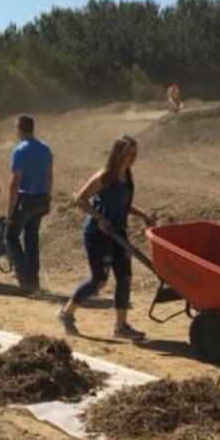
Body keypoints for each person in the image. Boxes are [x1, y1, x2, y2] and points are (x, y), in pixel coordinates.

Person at [58, 136, 156, 339]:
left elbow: (122, 205)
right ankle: (66, 313)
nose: (132, 157)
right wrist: (99, 217)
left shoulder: (127, 177)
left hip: (118, 231)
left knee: (125, 277)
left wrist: (143, 215)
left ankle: (121, 327)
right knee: (99, 280)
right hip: (97, 234)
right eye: (129, 153)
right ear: (118, 153)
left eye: (135, 154)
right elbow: (80, 200)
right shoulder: (104, 176)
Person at [5, 114, 53, 293]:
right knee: (31, 239)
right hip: (41, 198)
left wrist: (10, 210)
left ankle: (24, 277)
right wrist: (48, 197)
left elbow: (15, 181)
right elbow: (49, 175)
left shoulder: (20, 150)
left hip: (26, 199)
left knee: (10, 237)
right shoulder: (45, 149)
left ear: (20, 129)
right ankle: (34, 280)